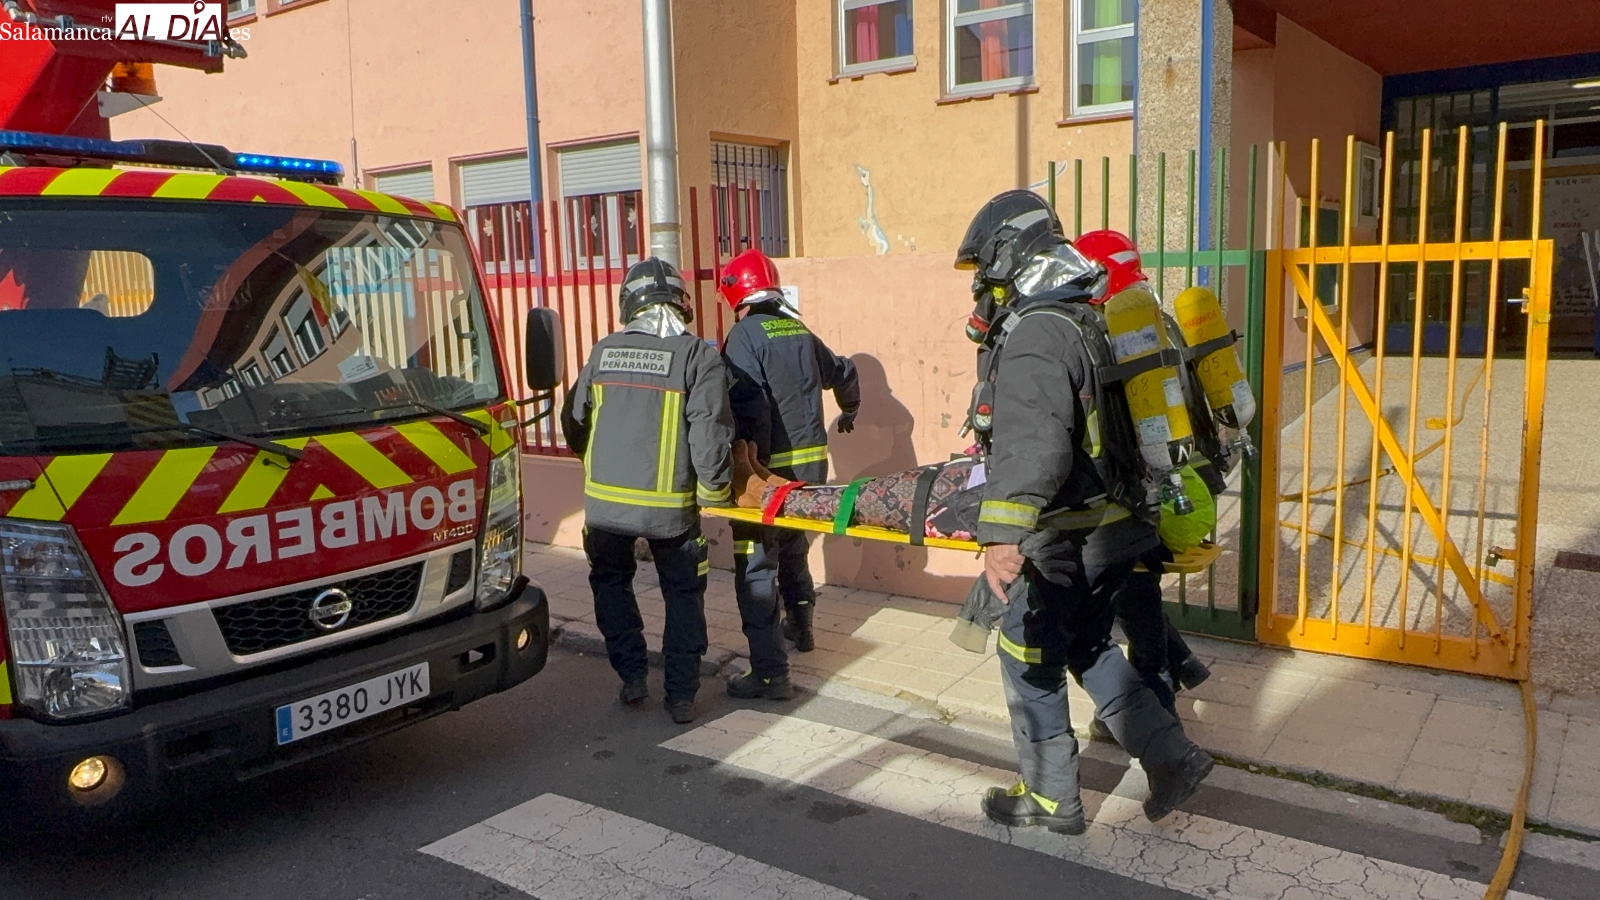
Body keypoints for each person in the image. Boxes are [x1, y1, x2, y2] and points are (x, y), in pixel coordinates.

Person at [956, 191, 1213, 834]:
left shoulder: (1041, 330)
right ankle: (1170, 754)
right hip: (1115, 525)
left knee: (1027, 654)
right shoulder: (1091, 315)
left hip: (1063, 535)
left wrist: (1003, 534)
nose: (984, 287)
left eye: (987, 270)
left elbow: (1035, 444)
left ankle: (1052, 801)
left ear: (1009, 256)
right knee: (1091, 644)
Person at [561, 257, 735, 725]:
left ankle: (632, 678)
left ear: (628, 303)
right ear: (681, 303)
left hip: (605, 508)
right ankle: (680, 696)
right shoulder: (698, 355)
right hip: (671, 513)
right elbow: (710, 431)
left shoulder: (602, 351)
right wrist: (715, 495)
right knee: (682, 596)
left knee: (611, 584)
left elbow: (573, 421)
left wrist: (596, 464)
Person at [1070, 229, 1214, 723]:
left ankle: (1157, 699)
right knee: (1132, 586)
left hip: (1137, 488)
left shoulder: (1114, 331)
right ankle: (1180, 664)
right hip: (1180, 476)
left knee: (1132, 589)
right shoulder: (1161, 323)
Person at [719, 249, 860, 701]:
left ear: (736, 296)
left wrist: (746, 464)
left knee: (757, 564)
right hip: (813, 468)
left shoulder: (743, 336)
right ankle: (802, 630)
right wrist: (850, 408)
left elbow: (748, 404)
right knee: (794, 545)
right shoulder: (798, 328)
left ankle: (769, 673)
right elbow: (842, 370)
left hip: (767, 473)